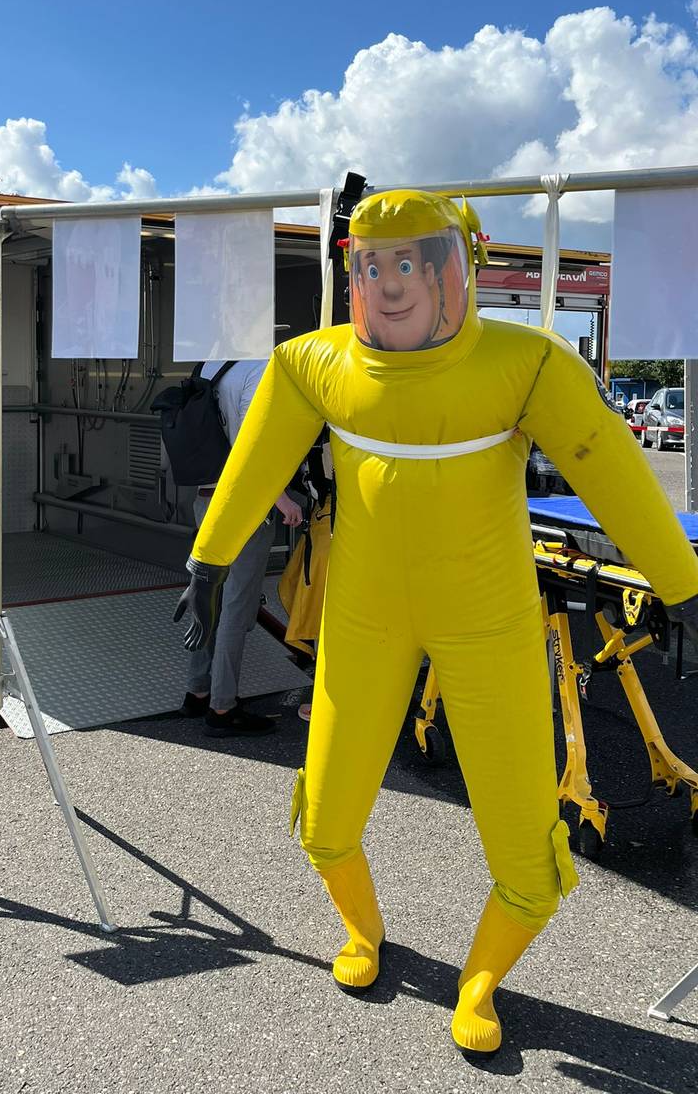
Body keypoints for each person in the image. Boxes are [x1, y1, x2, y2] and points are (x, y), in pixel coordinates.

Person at [174, 188, 698, 1053]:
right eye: (373, 265)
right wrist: (207, 561)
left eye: (413, 263)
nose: (390, 283)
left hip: (488, 625)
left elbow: (612, 473)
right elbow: (255, 463)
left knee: (525, 847)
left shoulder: (527, 366)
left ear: (459, 267)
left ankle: (481, 980)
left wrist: (681, 585)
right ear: (352, 273)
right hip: (363, 622)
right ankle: (362, 932)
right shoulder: (314, 365)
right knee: (326, 821)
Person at [179, 359, 302, 738]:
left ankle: (197, 692)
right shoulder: (257, 369)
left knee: (208, 596)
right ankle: (223, 707)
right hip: (243, 505)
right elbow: (251, 446)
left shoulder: (208, 366)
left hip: (205, 499)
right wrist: (283, 500)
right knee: (236, 605)